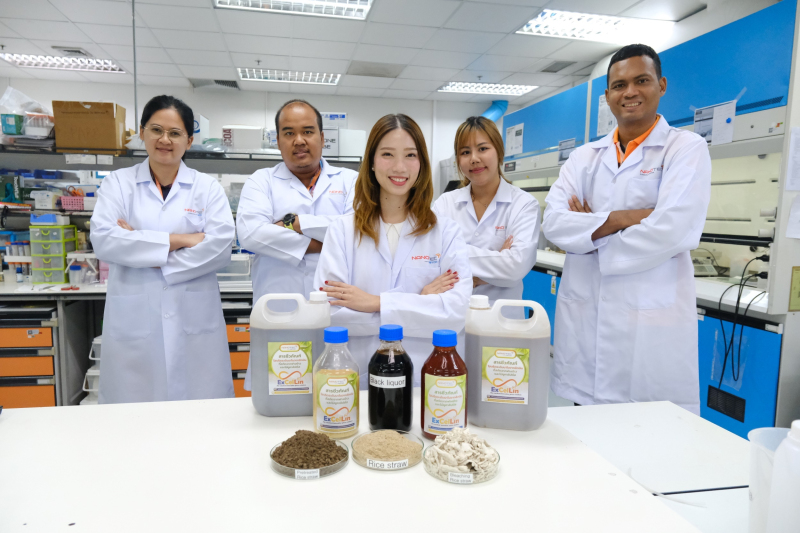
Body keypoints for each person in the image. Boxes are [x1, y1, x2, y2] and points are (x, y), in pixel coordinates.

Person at [541, 44, 711, 414]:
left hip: (649, 330)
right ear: (607, 96)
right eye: (619, 85)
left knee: (647, 432)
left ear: (661, 85)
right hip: (587, 330)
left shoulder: (685, 148)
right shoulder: (584, 157)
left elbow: (673, 229)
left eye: (641, 81)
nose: (629, 92)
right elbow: (553, 222)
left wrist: (589, 231)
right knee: (585, 430)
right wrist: (622, 219)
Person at [91, 95, 235, 404]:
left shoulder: (207, 188)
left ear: (189, 140)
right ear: (142, 132)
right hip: (135, 323)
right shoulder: (118, 184)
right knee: (135, 416)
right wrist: (180, 240)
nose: (165, 140)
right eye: (156, 130)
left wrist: (142, 247)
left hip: (193, 319)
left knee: (200, 415)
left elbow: (221, 247)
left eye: (175, 133)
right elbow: (104, 240)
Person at [314, 114, 472, 383]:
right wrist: (420, 302)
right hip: (358, 379)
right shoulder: (342, 231)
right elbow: (331, 316)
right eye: (387, 154)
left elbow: (455, 316)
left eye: (410, 155)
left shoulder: (446, 232)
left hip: (425, 380)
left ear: (421, 164)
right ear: (372, 162)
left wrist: (375, 303)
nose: (400, 167)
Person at [236, 99, 357, 389]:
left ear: (322, 138)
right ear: (278, 141)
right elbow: (251, 234)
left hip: (337, 309)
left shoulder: (352, 180)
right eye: (289, 133)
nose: (299, 140)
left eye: (308, 131)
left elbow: (358, 230)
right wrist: (327, 242)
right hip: (280, 309)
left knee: (336, 391)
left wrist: (294, 223)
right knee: (279, 393)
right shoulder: (261, 181)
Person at [433, 116, 539, 308]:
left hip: (502, 318)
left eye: (482, 149)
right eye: (465, 152)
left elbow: (515, 268)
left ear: (499, 151)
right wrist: (497, 261)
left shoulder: (523, 204)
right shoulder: (445, 204)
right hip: (452, 314)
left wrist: (457, 264)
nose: (474, 159)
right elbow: (430, 258)